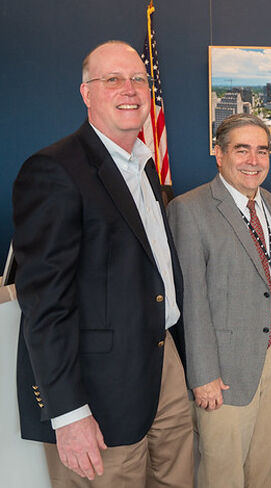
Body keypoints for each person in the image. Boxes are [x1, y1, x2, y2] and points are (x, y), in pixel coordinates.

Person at [12, 40, 193, 487]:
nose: (129, 89)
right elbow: (45, 306)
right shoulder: (54, 170)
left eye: (138, 79)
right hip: (98, 386)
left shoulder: (144, 165)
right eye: (112, 79)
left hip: (163, 358)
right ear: (86, 93)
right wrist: (69, 413)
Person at [167, 113, 271, 488]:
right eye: (242, 150)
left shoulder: (270, 203)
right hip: (222, 370)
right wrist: (203, 376)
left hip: (269, 353)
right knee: (222, 473)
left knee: (261, 464)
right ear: (219, 153)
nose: (253, 161)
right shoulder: (190, 209)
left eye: (262, 151)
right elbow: (192, 302)